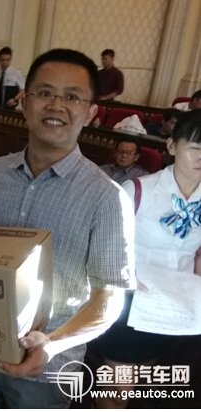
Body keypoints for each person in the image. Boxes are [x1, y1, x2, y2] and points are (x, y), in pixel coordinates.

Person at [0, 48, 135, 408]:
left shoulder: (106, 197)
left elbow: (109, 297)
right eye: (44, 93)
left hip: (50, 365)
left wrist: (52, 344)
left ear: (90, 113)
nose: (56, 105)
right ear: (25, 103)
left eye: (72, 97)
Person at [92, 109, 201, 408]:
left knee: (150, 385)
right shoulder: (137, 190)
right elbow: (102, 243)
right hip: (132, 304)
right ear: (172, 146)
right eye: (195, 148)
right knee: (118, 387)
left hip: (179, 308)